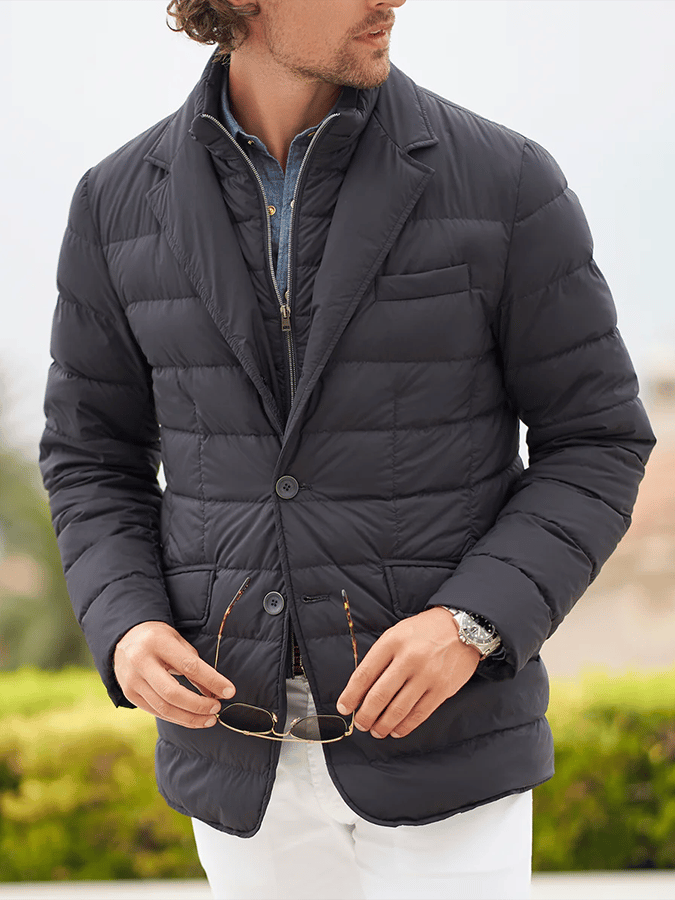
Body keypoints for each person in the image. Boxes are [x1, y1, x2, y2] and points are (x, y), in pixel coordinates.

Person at [39, 1, 655, 898]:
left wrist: (471, 623)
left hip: (445, 746)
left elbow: (596, 439)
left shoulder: (505, 180)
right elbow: (90, 457)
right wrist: (126, 623)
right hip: (235, 752)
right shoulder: (115, 201)